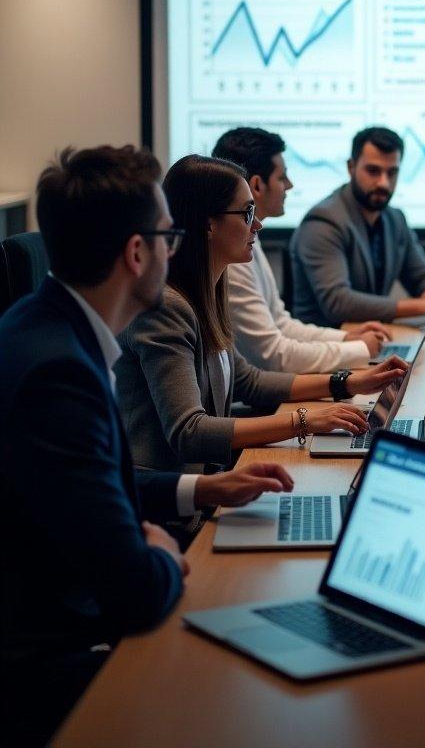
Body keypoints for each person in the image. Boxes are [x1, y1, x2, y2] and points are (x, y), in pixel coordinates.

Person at [0, 146, 296, 745]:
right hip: (45, 668)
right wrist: (160, 547)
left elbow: (93, 482)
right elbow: (135, 590)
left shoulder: (46, 329)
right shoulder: (60, 373)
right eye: (169, 234)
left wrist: (200, 488)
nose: (177, 246)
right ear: (138, 253)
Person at [116, 154, 406, 478]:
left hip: (207, 481)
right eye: (247, 212)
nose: (258, 223)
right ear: (208, 224)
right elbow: (189, 432)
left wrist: (349, 382)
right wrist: (303, 420)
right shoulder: (166, 308)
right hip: (167, 504)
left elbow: (247, 381)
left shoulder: (209, 289)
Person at [211, 127, 390, 371]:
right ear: (257, 185)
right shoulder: (232, 257)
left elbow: (281, 324)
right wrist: (359, 349)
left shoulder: (251, 236)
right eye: (282, 177)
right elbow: (273, 354)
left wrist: (346, 338)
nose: (290, 185)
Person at [290, 126, 425, 324]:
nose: (384, 183)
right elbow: (338, 303)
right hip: (324, 346)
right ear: (351, 167)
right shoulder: (323, 222)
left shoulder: (395, 219)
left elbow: (422, 276)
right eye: (373, 171)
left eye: (392, 173)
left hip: (371, 342)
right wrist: (423, 306)